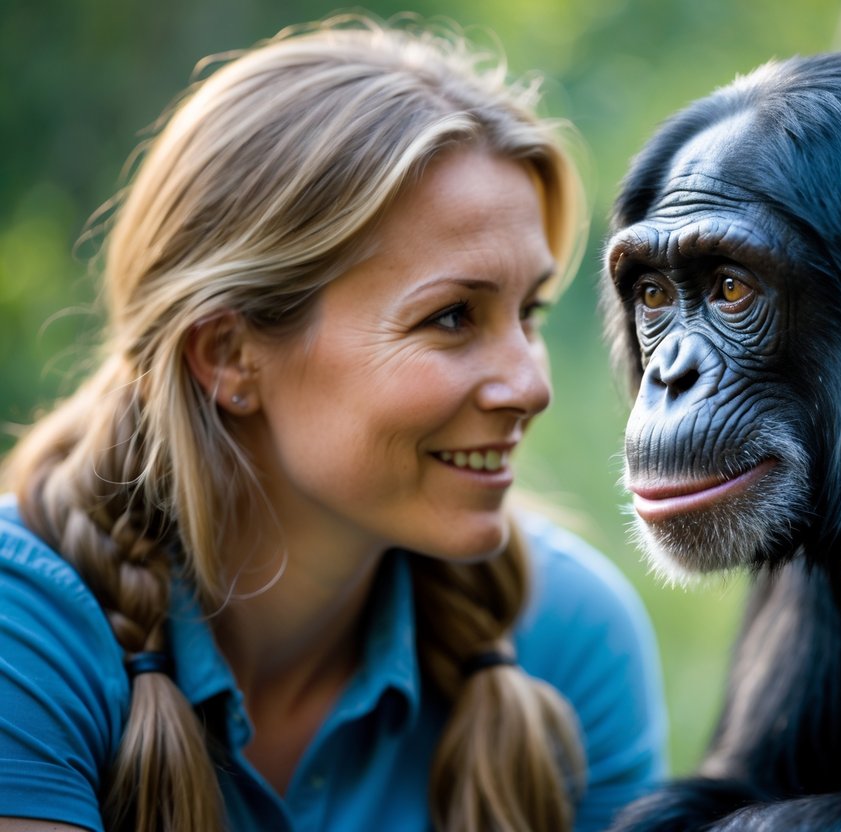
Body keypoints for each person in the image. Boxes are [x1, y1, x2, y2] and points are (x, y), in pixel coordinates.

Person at [0, 15, 667, 832]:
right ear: (229, 356)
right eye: (452, 317)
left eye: (528, 312)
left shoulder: (567, 639)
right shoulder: (23, 629)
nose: (531, 384)